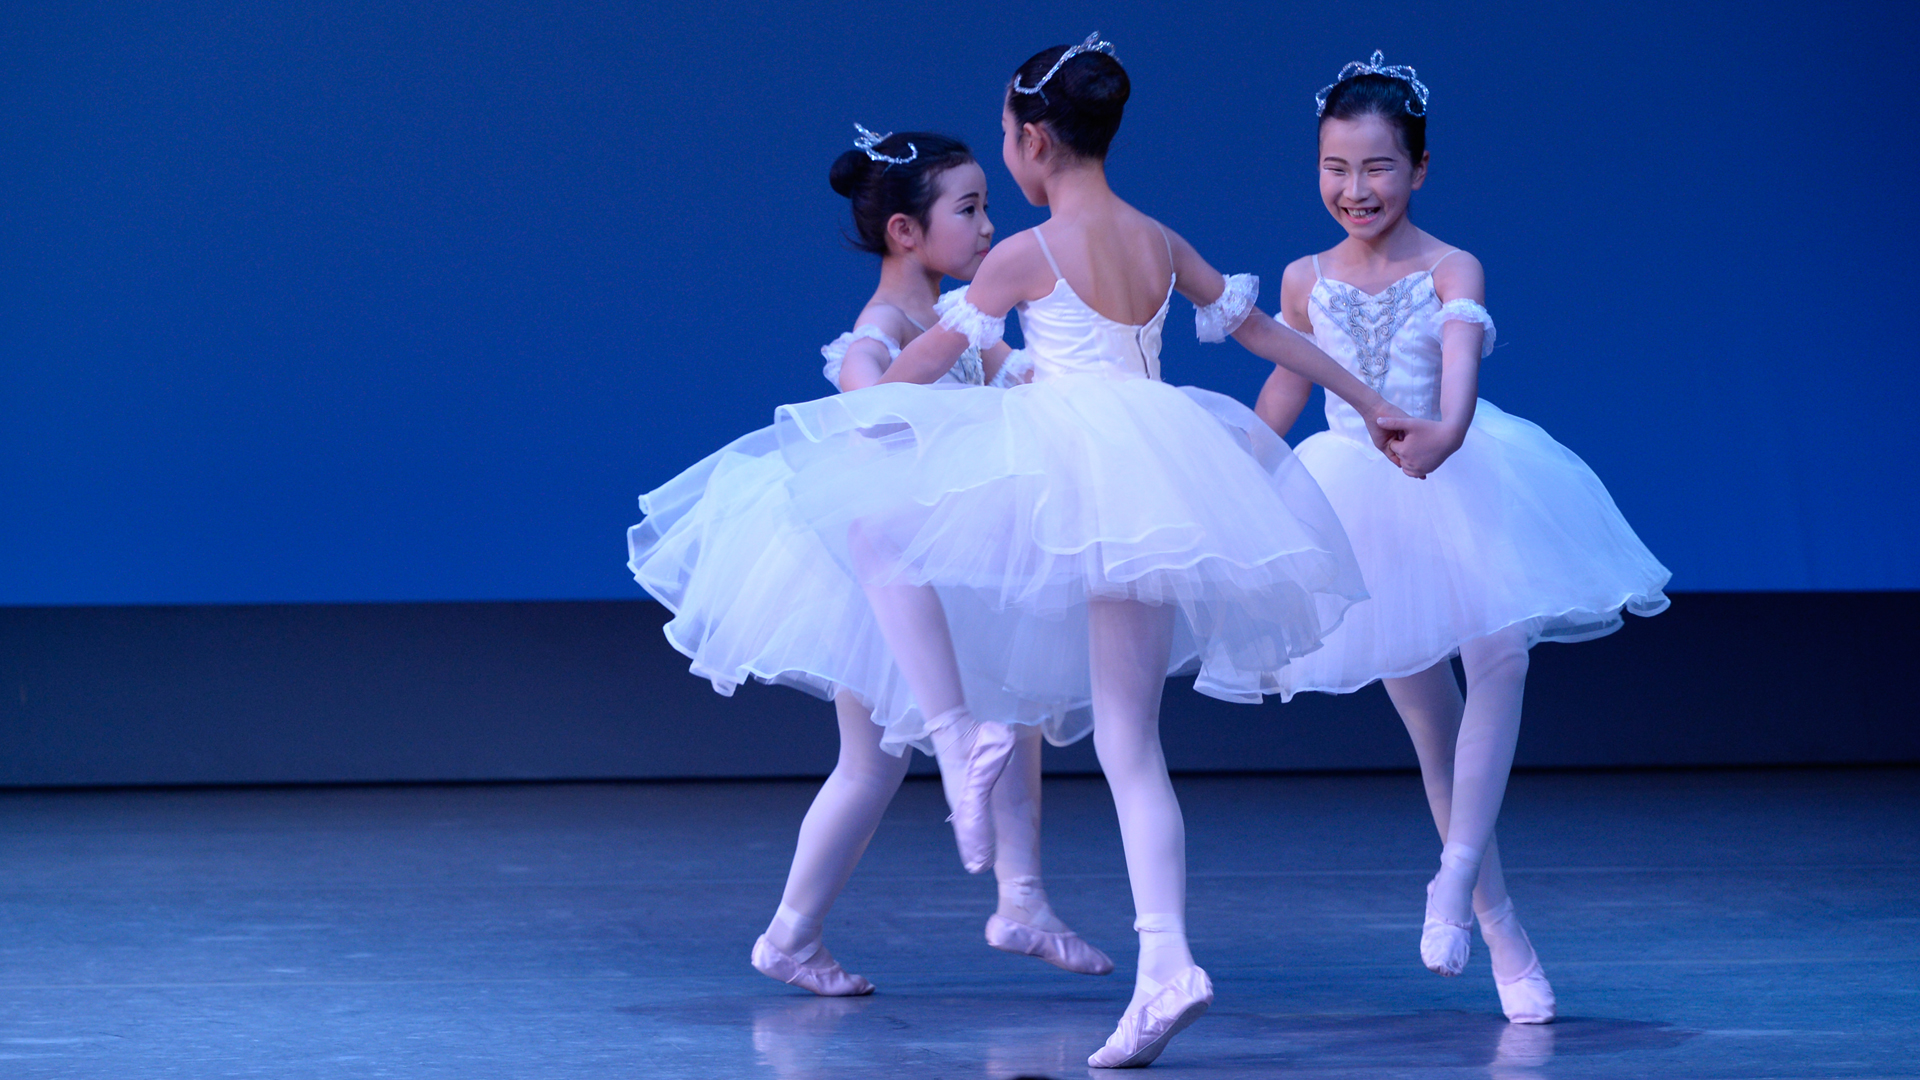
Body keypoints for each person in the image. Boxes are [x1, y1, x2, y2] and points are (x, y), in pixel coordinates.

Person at [772, 35, 1406, 1067]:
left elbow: (926, 362)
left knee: (907, 557)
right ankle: (1158, 956)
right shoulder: (1157, 239)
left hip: (1064, 482)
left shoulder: (1024, 254)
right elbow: (1264, 335)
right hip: (1157, 479)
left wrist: (854, 407)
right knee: (1131, 743)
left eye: (1005, 140)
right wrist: (1371, 399)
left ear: (1032, 141)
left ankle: (971, 762)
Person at [627, 126, 1109, 998]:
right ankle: (801, 933)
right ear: (905, 232)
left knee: (1009, 719)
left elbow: (1033, 378)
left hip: (951, 571)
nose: (989, 227)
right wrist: (887, 391)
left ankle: (1013, 901)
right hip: (885, 579)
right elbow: (864, 380)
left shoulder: (960, 325)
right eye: (970, 210)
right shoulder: (886, 326)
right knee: (876, 761)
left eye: (987, 207)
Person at [1253, 52, 1671, 1024]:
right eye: (1335, 168)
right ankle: (1501, 926)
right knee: (1429, 726)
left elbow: (1457, 370)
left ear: (1420, 168)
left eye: (1378, 167)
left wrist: (1443, 435)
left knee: (1502, 658)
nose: (1356, 189)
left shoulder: (1452, 267)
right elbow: (1286, 382)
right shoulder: (1305, 277)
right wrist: (1242, 467)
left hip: (1459, 475)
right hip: (1358, 498)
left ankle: (1451, 879)